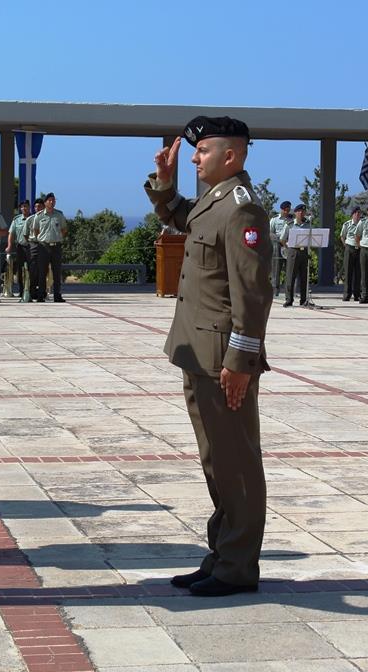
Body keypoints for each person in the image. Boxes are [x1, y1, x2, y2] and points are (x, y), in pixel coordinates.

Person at [144, 116, 272, 597]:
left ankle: (238, 566)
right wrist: (165, 182)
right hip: (198, 353)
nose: (195, 158)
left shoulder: (242, 210)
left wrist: (240, 364)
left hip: (223, 359)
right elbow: (183, 219)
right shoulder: (215, 202)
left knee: (236, 461)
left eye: (202, 152)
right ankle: (222, 554)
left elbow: (253, 293)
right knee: (216, 460)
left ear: (231, 156)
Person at [30, 192, 68, 302]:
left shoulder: (59, 215)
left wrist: (57, 237)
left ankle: (57, 295)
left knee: (57, 272)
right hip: (43, 246)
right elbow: (36, 230)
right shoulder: (39, 216)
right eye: (49, 200)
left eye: (53, 200)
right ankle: (41, 295)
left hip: (56, 246)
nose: (52, 202)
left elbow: (64, 230)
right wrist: (43, 239)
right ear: (45, 202)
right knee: (42, 272)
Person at [280, 204, 309, 307]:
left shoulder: (307, 224)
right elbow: (282, 239)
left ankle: (303, 299)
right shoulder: (290, 224)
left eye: (303, 211)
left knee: (304, 277)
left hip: (304, 251)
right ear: (296, 212)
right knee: (290, 276)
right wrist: (288, 247)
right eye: (299, 211)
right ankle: (289, 299)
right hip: (293, 251)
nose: (301, 213)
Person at [6, 199, 31, 299]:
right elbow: (11, 234)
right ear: (20, 208)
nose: (24, 208)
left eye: (26, 206)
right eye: (22, 207)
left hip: (31, 247)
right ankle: (22, 291)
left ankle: (31, 290)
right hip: (20, 247)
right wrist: (9, 246)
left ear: (29, 207)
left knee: (31, 269)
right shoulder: (16, 220)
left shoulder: (34, 218)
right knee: (20, 270)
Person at [269, 201, 292, 297]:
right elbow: (270, 233)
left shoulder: (292, 220)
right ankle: (275, 289)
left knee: (289, 268)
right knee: (276, 268)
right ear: (282, 209)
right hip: (277, 244)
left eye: (288, 210)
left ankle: (288, 290)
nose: (287, 212)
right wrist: (279, 239)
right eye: (285, 210)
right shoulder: (275, 219)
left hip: (289, 244)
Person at [339, 206, 362, 301]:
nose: (357, 215)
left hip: (360, 249)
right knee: (348, 272)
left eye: (359, 213)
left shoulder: (362, 224)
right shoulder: (347, 224)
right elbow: (342, 236)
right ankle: (347, 294)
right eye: (355, 213)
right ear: (352, 215)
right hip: (350, 248)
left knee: (358, 273)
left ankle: (357, 294)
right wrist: (346, 246)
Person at [25, 197, 46, 301]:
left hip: (44, 245)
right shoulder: (30, 219)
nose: (38, 208)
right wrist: (32, 242)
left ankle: (42, 293)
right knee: (33, 269)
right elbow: (25, 234)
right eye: (36, 206)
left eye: (40, 206)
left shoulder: (47, 217)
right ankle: (32, 292)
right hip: (33, 244)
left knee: (43, 270)